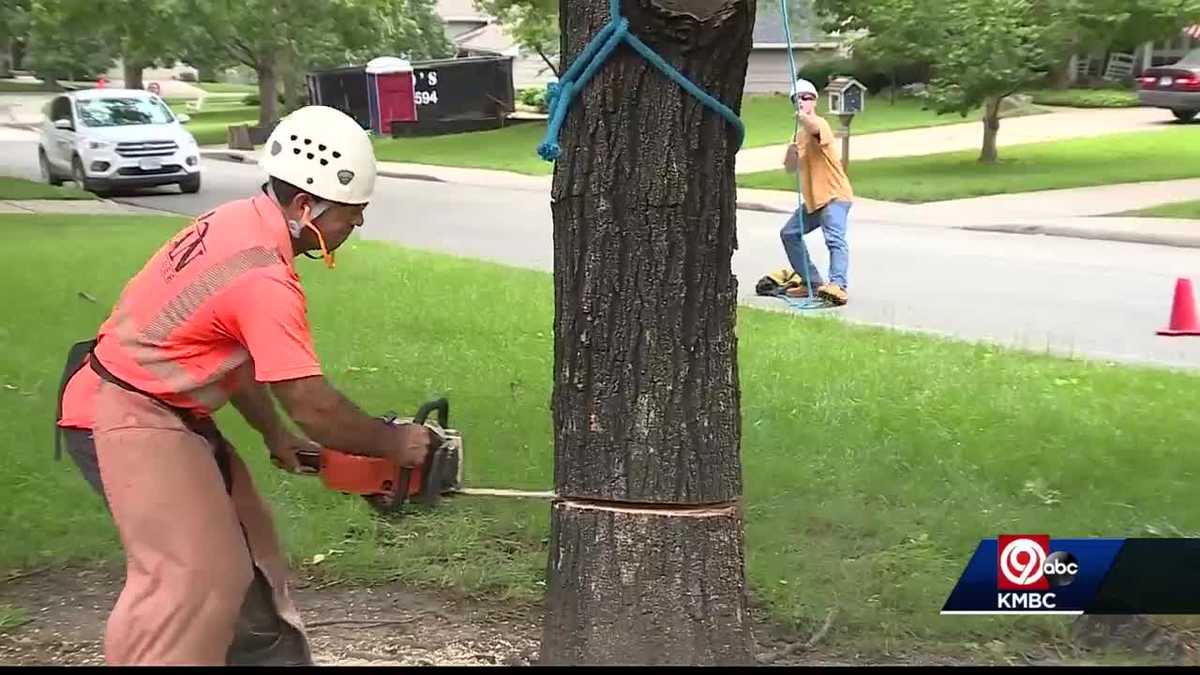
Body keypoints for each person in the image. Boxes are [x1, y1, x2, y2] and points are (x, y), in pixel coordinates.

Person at [53, 105, 439, 666]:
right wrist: (392, 443)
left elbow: (229, 356)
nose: (356, 225)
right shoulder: (262, 275)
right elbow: (311, 403)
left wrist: (273, 436)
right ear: (306, 206)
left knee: (249, 564)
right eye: (351, 213)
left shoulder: (239, 220)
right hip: (120, 413)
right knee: (190, 583)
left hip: (166, 410)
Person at [779, 78, 855, 306]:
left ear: (815, 101)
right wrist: (791, 153)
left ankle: (838, 285)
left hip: (834, 196)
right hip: (814, 201)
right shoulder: (799, 135)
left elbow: (812, 127)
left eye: (807, 97)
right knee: (789, 233)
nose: (802, 101)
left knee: (834, 240)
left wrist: (804, 117)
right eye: (798, 98)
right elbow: (790, 168)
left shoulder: (819, 124)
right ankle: (812, 282)